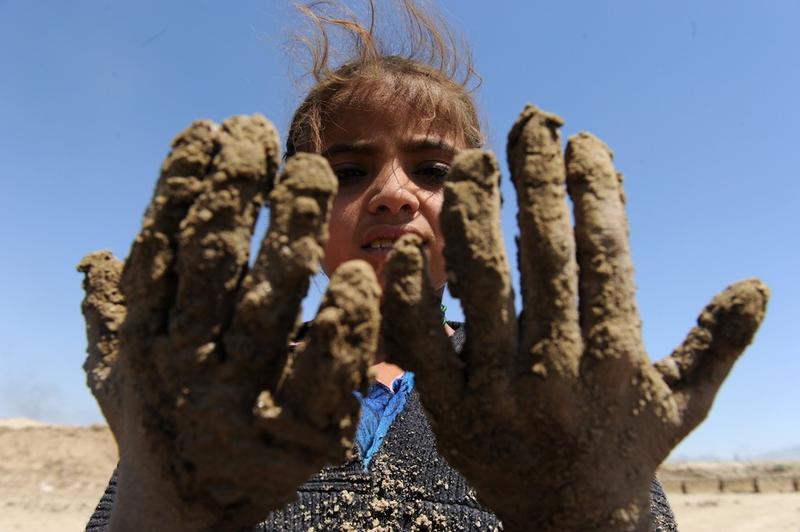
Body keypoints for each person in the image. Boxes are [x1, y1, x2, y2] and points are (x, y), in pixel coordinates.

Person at [80, 1, 767, 531]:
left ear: (477, 210)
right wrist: (156, 509)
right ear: (298, 212)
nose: (392, 193)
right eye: (348, 172)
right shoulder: (216, 388)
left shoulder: (541, 392)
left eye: (432, 170)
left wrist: (603, 512)